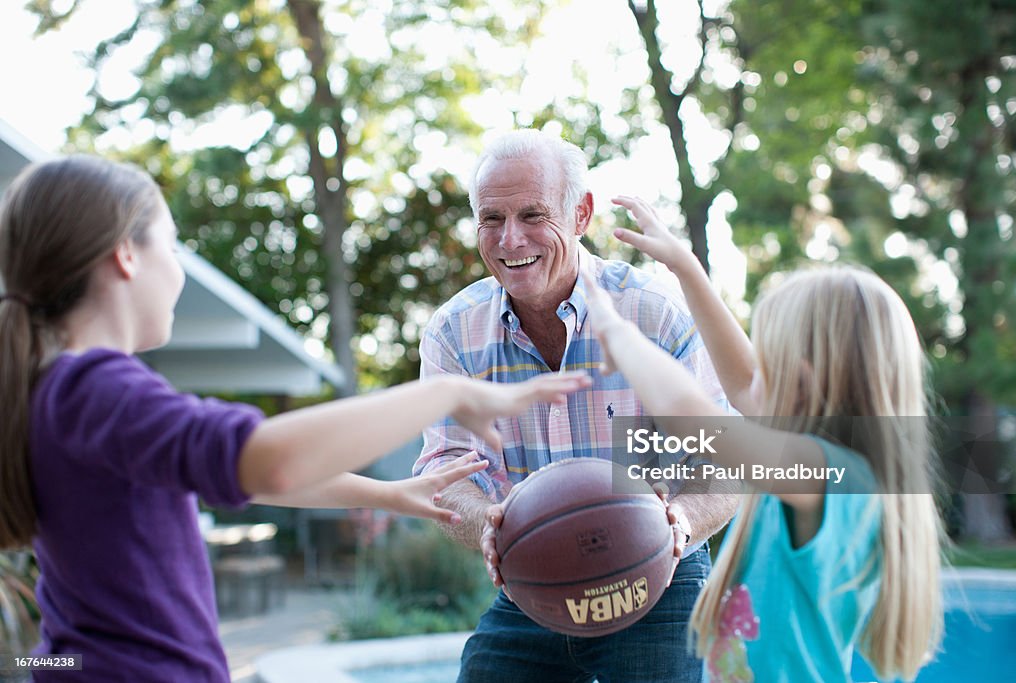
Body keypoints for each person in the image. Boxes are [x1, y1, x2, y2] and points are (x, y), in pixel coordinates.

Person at [0, 155, 592, 682]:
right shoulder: (96, 390)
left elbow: (256, 473)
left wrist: (390, 495)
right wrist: (445, 396)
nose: (178, 270)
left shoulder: (60, 392)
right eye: (172, 245)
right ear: (126, 255)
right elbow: (271, 459)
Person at [413, 130, 739, 683]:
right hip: (537, 574)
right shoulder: (453, 331)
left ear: (581, 214)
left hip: (657, 575)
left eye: (532, 215)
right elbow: (445, 471)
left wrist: (676, 521)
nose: (510, 239)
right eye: (491, 219)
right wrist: (487, 525)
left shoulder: (656, 314)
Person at [582, 195, 944, 682]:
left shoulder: (824, 474)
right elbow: (742, 380)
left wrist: (617, 335)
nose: (752, 377)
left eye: (769, 361)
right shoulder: (831, 470)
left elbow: (699, 424)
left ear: (802, 381)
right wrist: (685, 268)